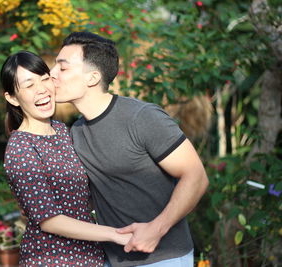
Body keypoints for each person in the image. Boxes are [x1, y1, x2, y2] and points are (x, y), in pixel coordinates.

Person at [50, 32, 209, 267]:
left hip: (164, 259)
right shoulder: (76, 131)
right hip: (112, 259)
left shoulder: (141, 117)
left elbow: (196, 176)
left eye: (62, 68)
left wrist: (156, 229)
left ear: (93, 77)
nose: (52, 74)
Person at [1, 51, 131, 266]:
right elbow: (49, 221)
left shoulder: (62, 130)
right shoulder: (21, 148)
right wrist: (115, 234)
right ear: (12, 98)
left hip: (90, 256)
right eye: (29, 85)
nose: (41, 89)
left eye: (44, 79)